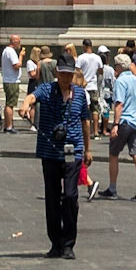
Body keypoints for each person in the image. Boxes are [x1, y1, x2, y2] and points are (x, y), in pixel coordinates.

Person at [27, 56, 91, 257]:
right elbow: (32, 97)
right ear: (56, 73)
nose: (65, 77)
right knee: (52, 198)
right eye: (62, 73)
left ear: (73, 74)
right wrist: (25, 105)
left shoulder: (80, 94)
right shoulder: (47, 90)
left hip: (74, 152)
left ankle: (68, 244)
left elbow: (86, 122)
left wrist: (88, 149)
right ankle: (56, 243)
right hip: (50, 151)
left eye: (68, 74)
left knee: (70, 196)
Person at [101, 51, 136, 201]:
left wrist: (115, 124)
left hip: (125, 122)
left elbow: (119, 104)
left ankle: (112, 188)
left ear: (120, 67)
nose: (115, 69)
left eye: (116, 66)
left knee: (114, 154)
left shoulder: (120, 81)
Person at [0, 35, 24, 132]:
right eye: (19, 41)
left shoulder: (6, 51)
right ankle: (9, 126)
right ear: (14, 41)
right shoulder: (11, 52)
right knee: (10, 104)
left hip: (8, 80)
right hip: (12, 80)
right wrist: (21, 56)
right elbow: (16, 65)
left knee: (9, 103)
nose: (20, 43)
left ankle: (8, 125)